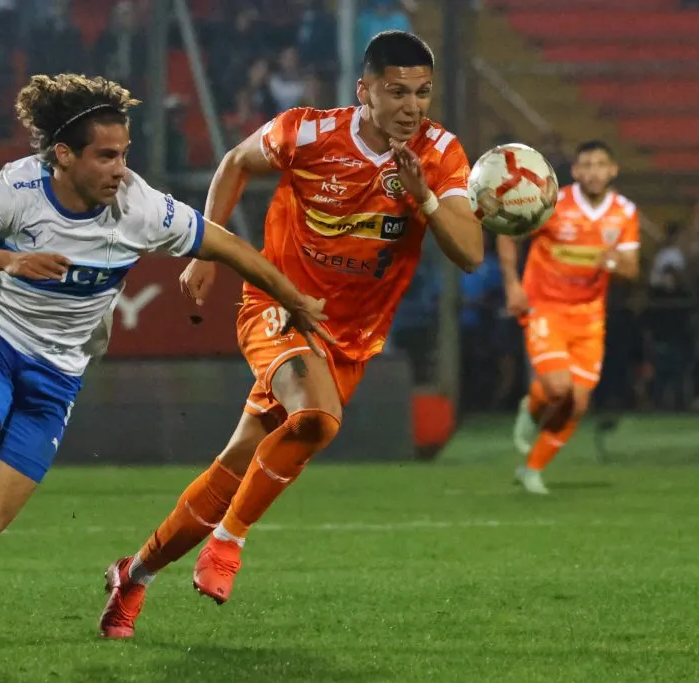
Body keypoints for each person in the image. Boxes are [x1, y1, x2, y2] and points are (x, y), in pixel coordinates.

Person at [0, 74, 331, 657]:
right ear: (63, 155)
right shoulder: (17, 187)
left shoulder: (139, 207)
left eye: (125, 154)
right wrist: (7, 260)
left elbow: (227, 245)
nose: (121, 169)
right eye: (107, 156)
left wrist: (293, 299)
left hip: (58, 373)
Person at [99, 30, 483, 638]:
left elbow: (469, 252)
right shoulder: (308, 131)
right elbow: (233, 164)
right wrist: (204, 252)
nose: (412, 106)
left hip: (352, 337)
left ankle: (135, 574)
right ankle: (228, 543)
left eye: (422, 93)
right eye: (396, 92)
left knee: (234, 466)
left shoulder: (439, 155)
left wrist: (425, 201)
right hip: (278, 306)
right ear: (364, 91)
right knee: (317, 418)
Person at [497, 140, 640, 495]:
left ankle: (532, 469)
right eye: (586, 165)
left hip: (589, 317)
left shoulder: (623, 212)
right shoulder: (552, 202)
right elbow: (508, 233)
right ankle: (531, 407)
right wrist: (513, 285)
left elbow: (632, 269)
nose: (594, 171)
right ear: (575, 172)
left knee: (576, 403)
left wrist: (614, 263)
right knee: (558, 388)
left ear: (613, 170)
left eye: (601, 164)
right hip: (545, 307)